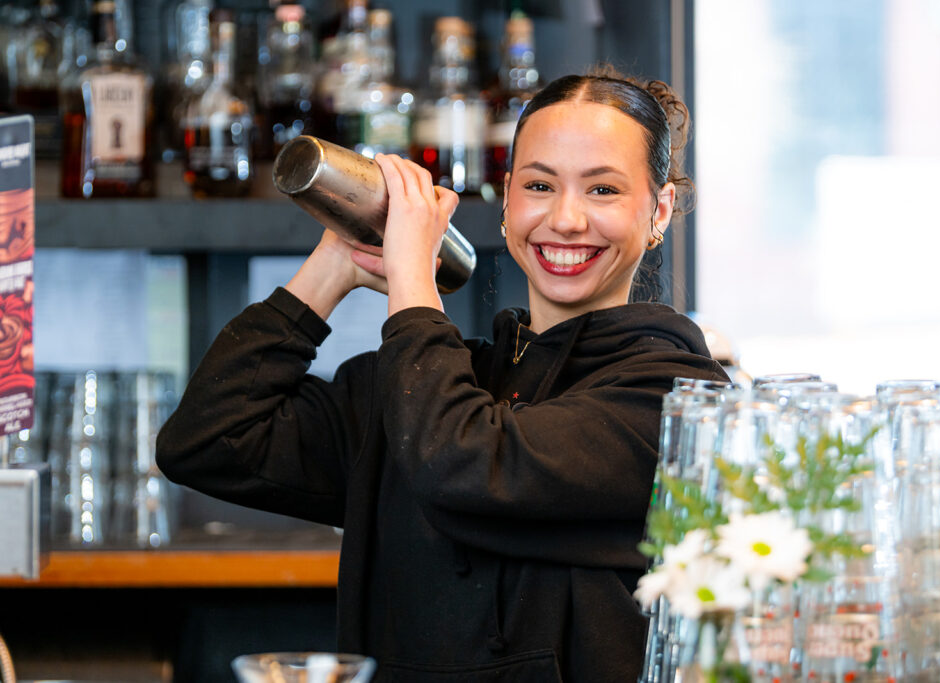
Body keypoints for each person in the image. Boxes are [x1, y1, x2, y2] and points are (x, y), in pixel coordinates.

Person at [156, 69, 728, 682]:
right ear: (507, 201)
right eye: (540, 185)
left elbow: (463, 464)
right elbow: (208, 441)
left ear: (659, 208)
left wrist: (412, 284)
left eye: (603, 191)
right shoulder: (434, 380)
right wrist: (335, 264)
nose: (566, 219)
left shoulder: (675, 401)